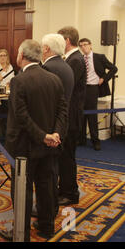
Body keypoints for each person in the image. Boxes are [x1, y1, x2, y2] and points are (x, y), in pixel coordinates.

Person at [0, 39, 67, 241]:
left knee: (23, 190)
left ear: (21, 56)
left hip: (24, 146)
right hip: (50, 145)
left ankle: (21, 232)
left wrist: (43, 136)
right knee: (46, 186)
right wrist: (56, 135)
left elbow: (21, 116)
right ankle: (47, 228)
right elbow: (63, 111)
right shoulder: (54, 79)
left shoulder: (19, 80)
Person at [40, 33, 75, 218]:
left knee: (47, 173)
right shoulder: (66, 66)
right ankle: (50, 207)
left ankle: (47, 210)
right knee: (54, 169)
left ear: (46, 49)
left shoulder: (48, 68)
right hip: (60, 125)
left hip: (49, 128)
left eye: (41, 47)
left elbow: (43, 102)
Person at [57, 26, 86, 206]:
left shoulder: (75, 60)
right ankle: (66, 189)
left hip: (71, 116)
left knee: (67, 156)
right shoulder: (73, 58)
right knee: (65, 156)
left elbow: (66, 88)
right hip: (71, 115)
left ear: (67, 41)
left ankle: (69, 193)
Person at [78, 38, 117, 151]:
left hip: (93, 88)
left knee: (92, 115)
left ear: (90, 45)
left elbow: (114, 69)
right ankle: (81, 139)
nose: (83, 47)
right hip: (82, 88)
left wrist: (104, 79)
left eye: (85, 45)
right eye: (81, 46)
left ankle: (95, 141)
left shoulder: (99, 57)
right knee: (81, 114)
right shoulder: (80, 58)